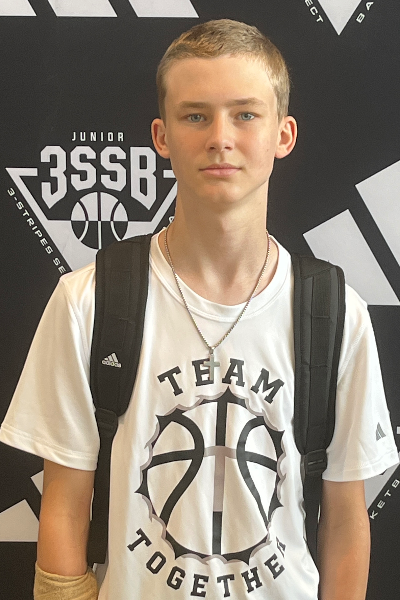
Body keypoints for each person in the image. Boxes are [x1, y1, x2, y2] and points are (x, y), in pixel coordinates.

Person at [0, 19, 398, 600]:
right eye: (195, 116)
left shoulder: (335, 314)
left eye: (246, 114)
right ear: (161, 136)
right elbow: (63, 505)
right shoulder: (90, 300)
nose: (220, 138)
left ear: (284, 134)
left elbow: (344, 519)